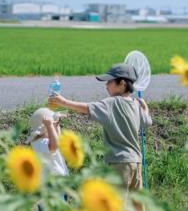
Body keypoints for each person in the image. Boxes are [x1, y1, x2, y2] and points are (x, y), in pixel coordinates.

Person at [48, 63, 152, 194]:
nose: (106, 85)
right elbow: (147, 122)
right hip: (136, 162)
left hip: (119, 163)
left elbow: (87, 108)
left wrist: (63, 102)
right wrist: (145, 108)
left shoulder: (112, 103)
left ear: (122, 83)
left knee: (116, 207)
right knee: (136, 206)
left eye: (110, 81)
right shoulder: (135, 104)